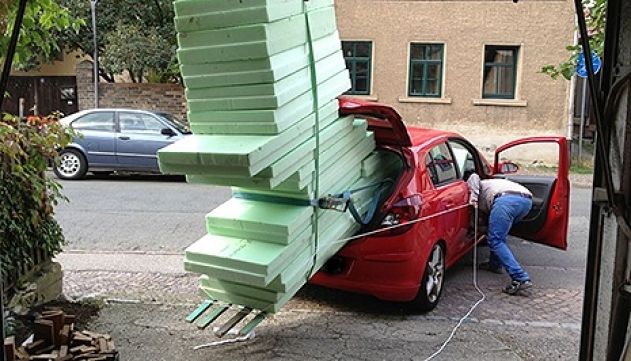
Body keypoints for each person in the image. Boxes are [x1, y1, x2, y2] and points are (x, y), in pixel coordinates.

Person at [465, 171, 534, 295]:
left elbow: (474, 176)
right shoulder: (491, 186)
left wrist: (473, 199)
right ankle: (494, 264)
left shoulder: (473, 185)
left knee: (496, 240)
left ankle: (521, 278)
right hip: (526, 201)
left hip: (505, 200)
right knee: (498, 235)